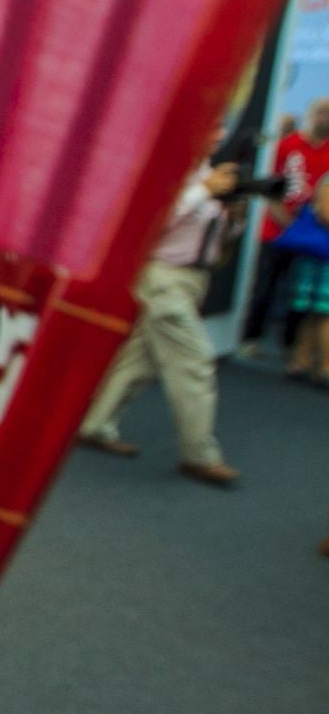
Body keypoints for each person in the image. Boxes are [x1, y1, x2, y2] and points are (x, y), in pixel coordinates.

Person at [78, 151, 244, 485]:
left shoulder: (210, 174)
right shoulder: (171, 170)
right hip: (162, 276)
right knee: (195, 362)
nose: (219, 134)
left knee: (140, 360)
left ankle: (94, 426)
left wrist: (234, 212)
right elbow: (149, 224)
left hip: (193, 279)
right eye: (214, 128)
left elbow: (220, 238)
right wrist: (204, 192)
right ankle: (199, 456)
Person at [241, 97, 329, 356]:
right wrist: (281, 216)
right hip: (276, 229)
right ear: (310, 114)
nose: (325, 119)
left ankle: (291, 345)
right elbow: (269, 185)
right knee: (265, 285)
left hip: (312, 235)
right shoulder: (286, 145)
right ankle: (251, 337)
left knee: (301, 292)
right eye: (321, 113)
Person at [282, 177, 329, 384]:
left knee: (315, 313)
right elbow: (326, 213)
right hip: (322, 258)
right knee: (323, 313)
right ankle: (324, 366)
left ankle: (302, 361)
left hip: (320, 258)